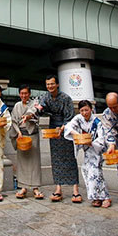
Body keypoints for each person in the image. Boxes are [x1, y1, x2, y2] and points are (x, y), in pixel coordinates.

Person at [38, 75, 80, 203]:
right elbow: (41, 108)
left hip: (66, 129)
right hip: (53, 128)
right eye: (48, 84)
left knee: (70, 158)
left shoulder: (66, 98)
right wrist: (39, 108)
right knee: (56, 159)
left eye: (52, 84)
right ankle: (58, 189)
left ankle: (75, 190)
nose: (50, 86)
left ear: (57, 85)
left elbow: (70, 116)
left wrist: (63, 127)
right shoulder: (45, 96)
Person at [64, 100, 110, 207]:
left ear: (91, 109)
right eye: (82, 110)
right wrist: (77, 135)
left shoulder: (97, 122)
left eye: (86, 110)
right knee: (87, 173)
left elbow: (101, 138)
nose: (84, 113)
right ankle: (96, 197)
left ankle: (105, 197)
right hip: (87, 151)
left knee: (96, 173)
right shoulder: (79, 119)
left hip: (95, 149)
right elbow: (68, 127)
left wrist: (91, 142)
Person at [9, 84, 43, 200]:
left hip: (32, 135)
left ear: (29, 94)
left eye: (26, 93)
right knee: (22, 161)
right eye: (22, 93)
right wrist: (18, 132)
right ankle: (23, 187)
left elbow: (34, 113)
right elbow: (13, 121)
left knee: (35, 162)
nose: (24, 95)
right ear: (19, 94)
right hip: (21, 136)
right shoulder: (17, 105)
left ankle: (35, 188)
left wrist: (28, 117)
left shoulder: (34, 103)